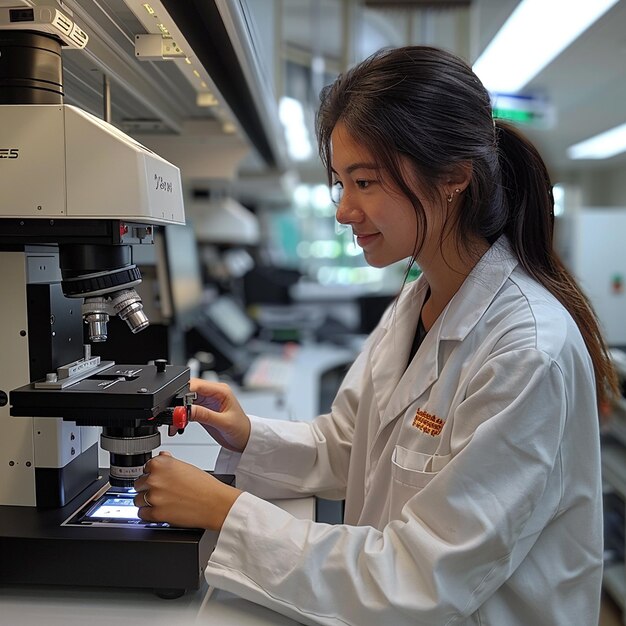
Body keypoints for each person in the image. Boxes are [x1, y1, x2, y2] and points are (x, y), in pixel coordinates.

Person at [134, 46, 618, 625]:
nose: (343, 210)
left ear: (454, 179)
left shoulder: (527, 352)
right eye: (340, 182)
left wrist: (226, 510)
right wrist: (249, 436)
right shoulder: (418, 299)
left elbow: (419, 580)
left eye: (363, 182)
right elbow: (352, 446)